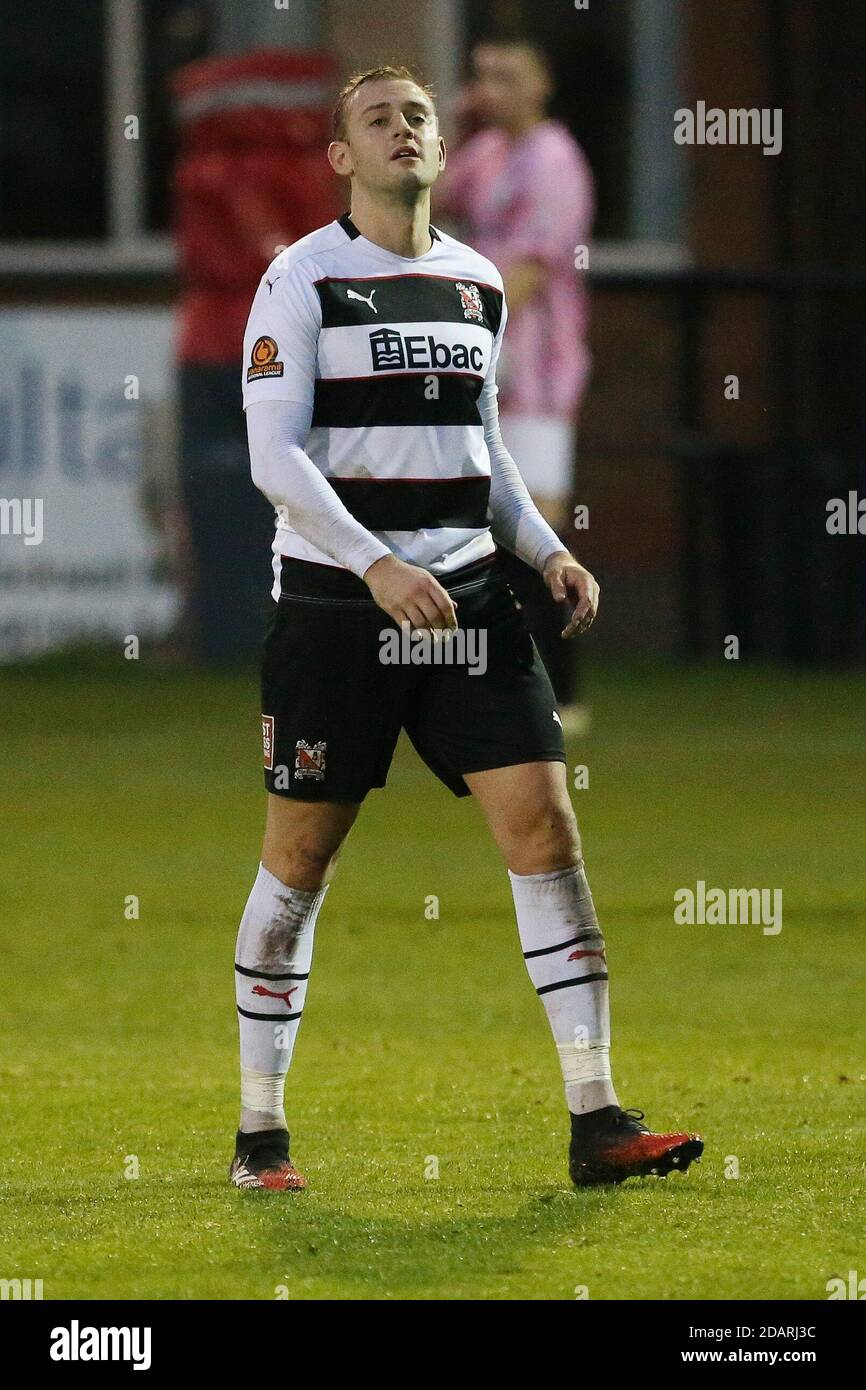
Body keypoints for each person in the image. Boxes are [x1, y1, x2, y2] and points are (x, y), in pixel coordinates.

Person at [230, 65, 703, 1192]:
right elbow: (273, 454)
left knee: (545, 832)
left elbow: (485, 457)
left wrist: (545, 551)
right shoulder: (301, 280)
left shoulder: (476, 284)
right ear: (342, 157)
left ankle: (597, 1119)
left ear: (441, 148)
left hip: (470, 604)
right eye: (377, 119)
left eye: (418, 116)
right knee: (298, 861)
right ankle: (260, 1138)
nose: (404, 130)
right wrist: (374, 561)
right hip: (340, 610)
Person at [436, 38, 595, 732]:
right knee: (486, 522)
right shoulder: (489, 153)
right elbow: (425, 197)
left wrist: (467, 335)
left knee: (539, 526)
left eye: (508, 75)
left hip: (535, 370)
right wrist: (448, 119)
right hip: (490, 367)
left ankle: (565, 691)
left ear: (542, 85)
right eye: (484, 75)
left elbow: (529, 274)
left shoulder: (554, 161)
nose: (492, 87)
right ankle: (509, 679)